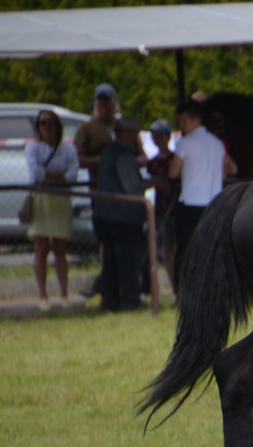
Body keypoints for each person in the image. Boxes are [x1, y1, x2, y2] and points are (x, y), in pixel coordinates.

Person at [25, 110, 80, 310]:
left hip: (61, 200)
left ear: (57, 125)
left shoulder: (67, 150)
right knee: (41, 249)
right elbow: (35, 173)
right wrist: (59, 176)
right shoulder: (33, 148)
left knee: (60, 249)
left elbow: (73, 175)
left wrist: (50, 176)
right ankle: (42, 296)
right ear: (38, 126)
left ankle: (64, 294)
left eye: (51, 122)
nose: (47, 126)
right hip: (41, 199)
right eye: (42, 123)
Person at [170, 100, 227, 293]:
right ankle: (214, 288)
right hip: (214, 204)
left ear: (195, 120)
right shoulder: (218, 144)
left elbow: (172, 172)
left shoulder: (185, 143)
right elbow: (225, 171)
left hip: (191, 204)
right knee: (212, 250)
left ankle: (182, 290)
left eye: (184, 120)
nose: (182, 125)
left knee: (185, 250)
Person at [92, 116, 147, 311]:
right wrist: (152, 183)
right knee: (128, 262)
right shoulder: (125, 155)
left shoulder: (108, 152)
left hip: (104, 214)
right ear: (125, 133)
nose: (134, 136)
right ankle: (130, 301)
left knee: (110, 262)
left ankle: (110, 300)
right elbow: (132, 187)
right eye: (132, 132)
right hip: (124, 217)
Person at [146, 119, 180, 293]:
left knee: (177, 250)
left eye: (160, 135)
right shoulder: (152, 163)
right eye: (154, 136)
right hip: (161, 211)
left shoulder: (176, 159)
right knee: (166, 250)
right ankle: (175, 289)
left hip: (177, 210)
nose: (157, 139)